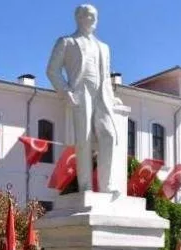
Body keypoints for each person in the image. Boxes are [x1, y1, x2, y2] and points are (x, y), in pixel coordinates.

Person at [46, 4, 125, 194]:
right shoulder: (66, 42)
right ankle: (86, 186)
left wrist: (112, 98)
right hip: (81, 92)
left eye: (94, 16)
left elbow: (105, 76)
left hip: (101, 94)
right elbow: (52, 70)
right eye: (88, 16)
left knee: (109, 135)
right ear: (78, 17)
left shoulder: (104, 47)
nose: (92, 19)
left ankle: (106, 185)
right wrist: (66, 92)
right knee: (85, 140)